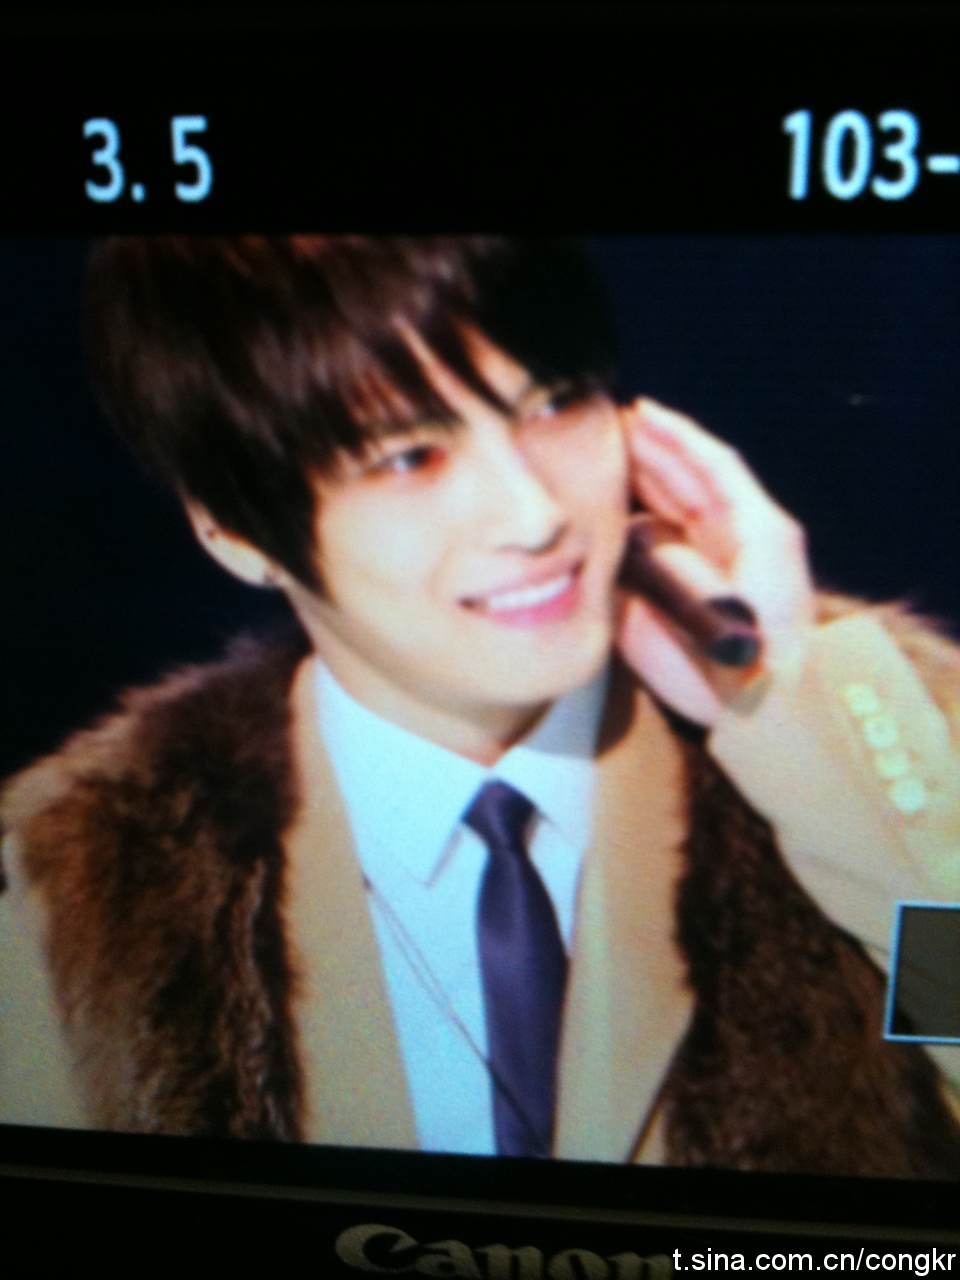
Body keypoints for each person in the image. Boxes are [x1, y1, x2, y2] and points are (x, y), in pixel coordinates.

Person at [1, 236, 959, 1176]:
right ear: (233, 528)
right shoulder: (73, 886)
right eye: (409, 456)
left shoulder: (877, 760)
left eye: (555, 405)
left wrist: (791, 709)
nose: (535, 515)